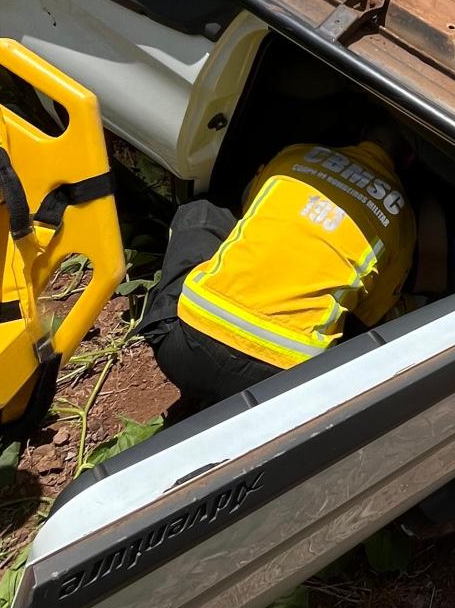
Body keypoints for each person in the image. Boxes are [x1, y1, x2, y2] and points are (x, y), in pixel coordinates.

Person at [141, 121, 416, 403]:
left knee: (203, 209)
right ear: (408, 161)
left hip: (181, 352)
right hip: (283, 387)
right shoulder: (404, 220)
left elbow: (248, 208)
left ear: (361, 134)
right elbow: (367, 317)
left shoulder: (297, 154)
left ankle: (162, 316)